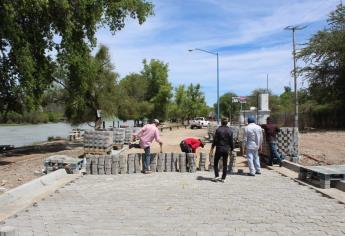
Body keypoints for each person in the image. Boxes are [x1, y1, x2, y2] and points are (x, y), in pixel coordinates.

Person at [209, 118, 234, 182]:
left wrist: (212, 149)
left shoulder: (218, 130)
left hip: (219, 149)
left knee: (215, 162)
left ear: (221, 122)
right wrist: (232, 149)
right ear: (227, 123)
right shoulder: (230, 130)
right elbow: (231, 141)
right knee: (225, 164)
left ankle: (217, 176)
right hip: (226, 149)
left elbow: (215, 140)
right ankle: (223, 178)